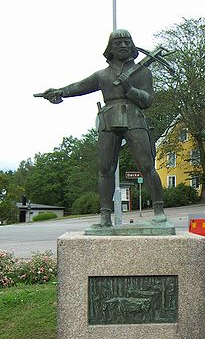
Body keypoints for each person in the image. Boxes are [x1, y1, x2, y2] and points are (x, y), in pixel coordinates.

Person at [35, 29, 167, 227]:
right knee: (105, 168)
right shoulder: (103, 75)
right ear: (110, 48)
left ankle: (159, 210)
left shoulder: (143, 72)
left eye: (126, 42)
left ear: (132, 46)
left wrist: (129, 89)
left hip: (134, 117)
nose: (122, 45)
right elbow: (79, 86)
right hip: (108, 118)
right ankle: (105, 215)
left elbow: (147, 100)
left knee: (146, 166)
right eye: (118, 43)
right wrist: (59, 91)